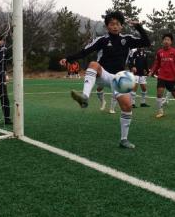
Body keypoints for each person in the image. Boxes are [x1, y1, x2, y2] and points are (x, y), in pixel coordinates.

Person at [61, 11, 149, 148]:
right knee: (93, 64)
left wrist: (139, 27)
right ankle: (85, 97)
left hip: (119, 77)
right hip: (104, 74)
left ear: (121, 26)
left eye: (118, 24)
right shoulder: (102, 40)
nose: (115, 26)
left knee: (127, 107)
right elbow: (85, 51)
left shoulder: (127, 39)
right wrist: (68, 59)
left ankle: (124, 140)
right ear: (107, 26)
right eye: (112, 24)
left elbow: (146, 42)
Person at [149, 33, 175, 118]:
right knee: (159, 93)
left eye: (168, 40)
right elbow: (156, 63)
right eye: (165, 39)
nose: (166, 41)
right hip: (161, 76)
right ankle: (160, 111)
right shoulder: (159, 52)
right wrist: (152, 71)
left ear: (171, 42)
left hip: (172, 77)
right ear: (162, 41)